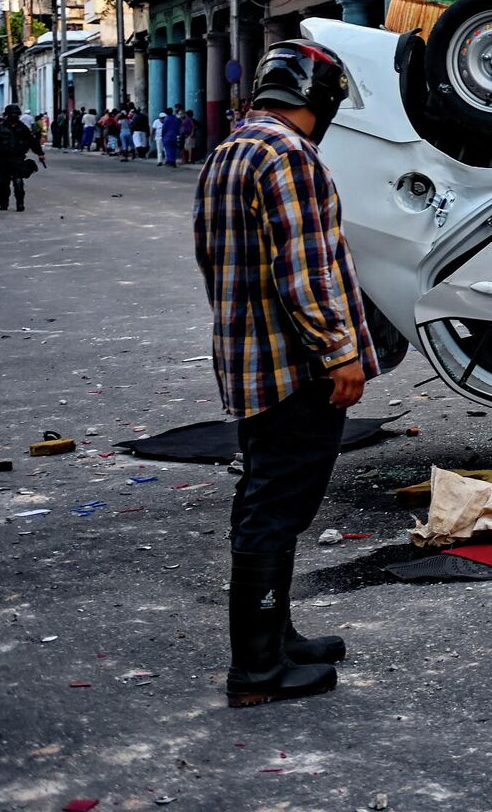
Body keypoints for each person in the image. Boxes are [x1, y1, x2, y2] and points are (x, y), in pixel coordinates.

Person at [194, 39, 376, 709]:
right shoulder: (290, 158)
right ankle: (258, 670)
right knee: (276, 507)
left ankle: (278, 636)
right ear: (319, 98)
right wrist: (341, 353)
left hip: (247, 361)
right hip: (296, 369)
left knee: (268, 496)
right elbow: (303, 273)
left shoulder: (230, 151)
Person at [0, 102, 44, 211]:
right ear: (7, 115)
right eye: (12, 114)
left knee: (18, 183)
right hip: (3, 159)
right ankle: (4, 203)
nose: (14, 116)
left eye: (16, 114)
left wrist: (40, 153)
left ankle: (20, 203)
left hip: (18, 159)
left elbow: (32, 141)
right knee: (4, 183)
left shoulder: (22, 128)